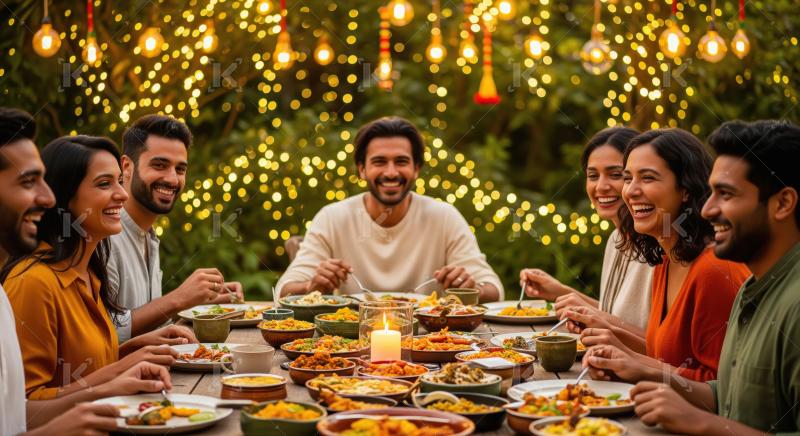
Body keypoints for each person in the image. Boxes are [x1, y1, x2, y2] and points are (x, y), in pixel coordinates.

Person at [614, 120, 800, 434]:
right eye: (711, 193)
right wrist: (648, 372)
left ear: (782, 203)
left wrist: (698, 422)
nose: (707, 209)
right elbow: (727, 394)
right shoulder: (754, 287)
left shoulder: (792, 304)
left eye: (726, 194)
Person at [0, 108, 173, 436]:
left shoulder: (89, 273)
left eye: (119, 182)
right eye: (104, 184)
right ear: (65, 198)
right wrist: (119, 373)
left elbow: (80, 368)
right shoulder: (33, 283)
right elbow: (20, 408)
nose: (122, 194)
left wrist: (132, 351)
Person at [581, 128, 749, 382]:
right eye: (628, 178)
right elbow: (666, 360)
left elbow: (724, 387)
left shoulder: (714, 270)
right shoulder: (665, 259)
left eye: (647, 178)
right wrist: (621, 353)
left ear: (686, 189)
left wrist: (638, 365)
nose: (630, 191)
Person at [276, 116, 503, 301]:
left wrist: (471, 288)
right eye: (379, 162)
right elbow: (283, 291)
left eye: (401, 161)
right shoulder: (333, 217)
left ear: (416, 169)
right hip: (350, 341)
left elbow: (494, 290)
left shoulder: (444, 217)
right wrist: (311, 286)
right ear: (362, 169)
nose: (391, 172)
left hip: (431, 340)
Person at [108, 114, 243, 342]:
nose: (172, 179)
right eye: (159, 165)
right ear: (127, 166)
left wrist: (197, 299)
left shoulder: (148, 235)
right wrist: (179, 298)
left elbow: (148, 321)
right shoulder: (105, 236)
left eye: (180, 169)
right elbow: (107, 331)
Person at [520, 127, 653, 340]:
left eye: (615, 175)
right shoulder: (616, 239)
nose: (601, 186)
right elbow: (611, 314)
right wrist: (560, 292)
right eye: (593, 176)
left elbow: (660, 346)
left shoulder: (658, 248)